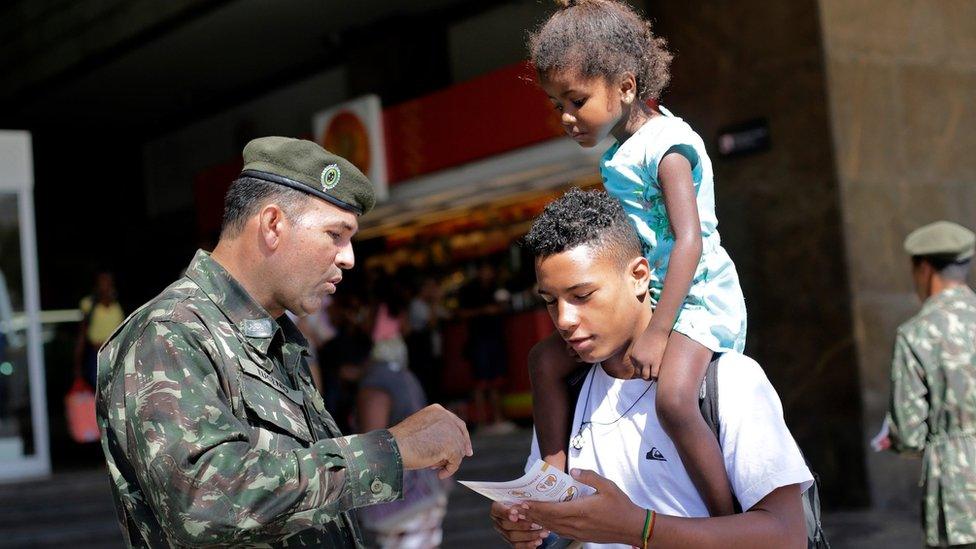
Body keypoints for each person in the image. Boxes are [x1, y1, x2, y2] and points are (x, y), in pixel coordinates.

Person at [96, 137, 472, 548]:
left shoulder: (270, 337)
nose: (348, 258)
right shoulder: (169, 332)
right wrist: (391, 450)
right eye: (335, 234)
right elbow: (206, 503)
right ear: (273, 224)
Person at [491, 189, 811, 548]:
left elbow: (787, 537)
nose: (564, 319)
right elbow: (564, 526)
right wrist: (526, 523)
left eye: (582, 296)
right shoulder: (568, 390)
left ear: (639, 275)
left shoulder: (728, 381)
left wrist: (639, 527)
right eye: (551, 302)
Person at [525, 0, 746, 517]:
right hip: (646, 297)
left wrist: (658, 333)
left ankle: (726, 516)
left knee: (673, 399)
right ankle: (551, 480)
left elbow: (689, 242)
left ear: (625, 87)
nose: (565, 116)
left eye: (576, 100)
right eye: (557, 102)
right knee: (543, 361)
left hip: (695, 299)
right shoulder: (618, 153)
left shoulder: (668, 144)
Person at [885, 220, 976, 548]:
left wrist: (893, 439)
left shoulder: (916, 333)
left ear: (923, 268)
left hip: (958, 502)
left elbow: (909, 435)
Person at [356, 334, 448, 547]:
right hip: (426, 485)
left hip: (404, 495)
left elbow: (373, 441)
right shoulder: (406, 377)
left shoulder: (376, 383)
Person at [457, 262, 515, 433]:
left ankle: (498, 419)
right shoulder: (469, 290)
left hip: (495, 338)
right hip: (478, 339)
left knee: (496, 380)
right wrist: (484, 311)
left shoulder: (497, 287)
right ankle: (482, 421)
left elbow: (506, 306)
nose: (487, 273)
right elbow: (461, 313)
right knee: (480, 382)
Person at [74, 271, 124, 389]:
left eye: (107, 283)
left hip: (115, 357)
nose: (105, 286)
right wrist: (78, 366)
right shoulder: (89, 305)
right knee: (98, 390)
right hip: (96, 357)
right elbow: (82, 335)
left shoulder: (117, 306)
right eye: (102, 283)